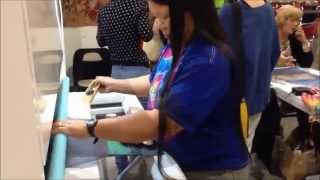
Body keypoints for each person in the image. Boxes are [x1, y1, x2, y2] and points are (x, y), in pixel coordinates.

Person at [53, 0, 249, 178]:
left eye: (166, 17)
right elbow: (155, 80)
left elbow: (160, 123)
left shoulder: (207, 60)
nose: (160, 25)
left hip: (212, 170)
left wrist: (90, 129)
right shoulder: (176, 45)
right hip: (179, 162)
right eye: (156, 17)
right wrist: (115, 84)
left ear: (192, 12)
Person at [252, 5, 315, 169]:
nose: (296, 24)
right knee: (272, 111)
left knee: (304, 101)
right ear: (282, 20)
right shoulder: (268, 37)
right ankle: (266, 153)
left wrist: (304, 43)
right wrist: (275, 60)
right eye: (292, 20)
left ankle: (305, 138)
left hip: (288, 81)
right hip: (267, 82)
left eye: (298, 20)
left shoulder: (294, 38)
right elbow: (258, 62)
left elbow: (306, 63)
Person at [96, 0, 153, 171]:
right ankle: (139, 169)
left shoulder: (104, 11)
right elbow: (147, 34)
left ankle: (122, 168)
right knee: (143, 125)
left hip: (115, 73)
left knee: (119, 123)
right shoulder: (138, 6)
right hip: (138, 73)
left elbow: (101, 41)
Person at [219, 0, 280, 152]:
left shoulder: (230, 12)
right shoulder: (267, 10)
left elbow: (217, 59)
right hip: (257, 97)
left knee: (227, 157)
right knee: (245, 147)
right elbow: (274, 53)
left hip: (232, 100)